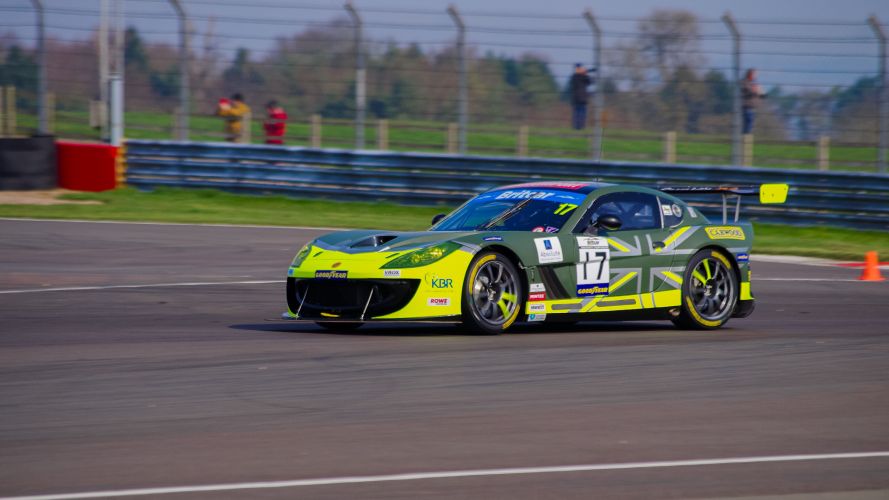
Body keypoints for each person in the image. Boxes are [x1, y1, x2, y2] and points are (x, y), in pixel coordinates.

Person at [569, 63, 593, 130]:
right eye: (578, 68)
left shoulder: (583, 76)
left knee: (583, 114)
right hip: (576, 99)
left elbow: (590, 82)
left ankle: (582, 126)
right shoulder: (574, 77)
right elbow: (575, 84)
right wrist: (581, 74)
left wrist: (585, 74)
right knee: (576, 114)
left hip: (583, 99)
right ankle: (576, 127)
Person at [742, 69, 766, 135]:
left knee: (750, 126)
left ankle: (747, 140)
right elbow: (749, 92)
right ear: (750, 74)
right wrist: (756, 90)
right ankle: (745, 140)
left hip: (753, 108)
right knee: (747, 126)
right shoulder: (745, 82)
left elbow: (762, 95)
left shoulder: (754, 83)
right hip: (747, 107)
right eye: (754, 74)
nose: (756, 76)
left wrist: (761, 92)